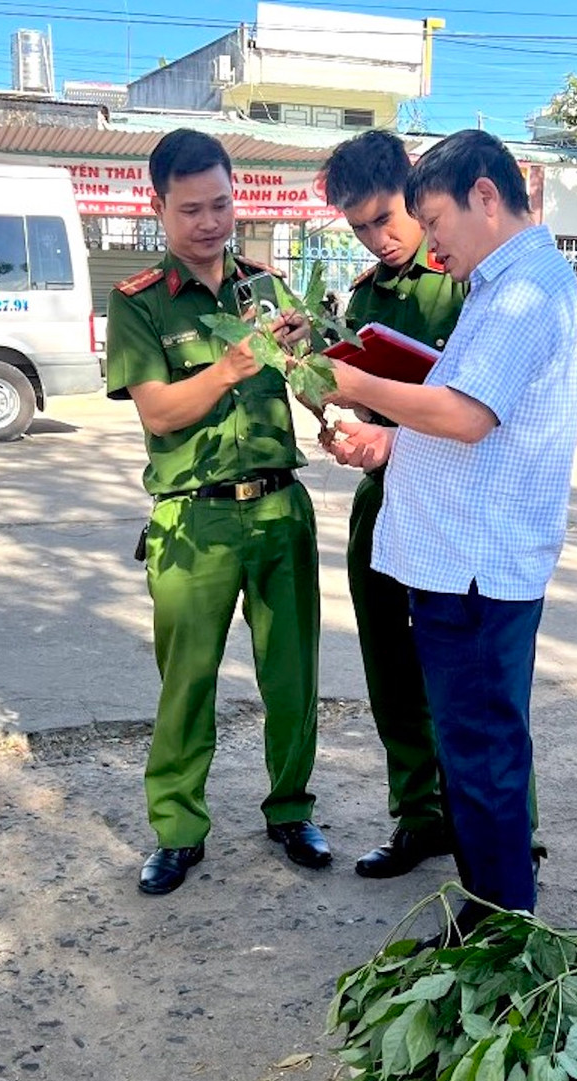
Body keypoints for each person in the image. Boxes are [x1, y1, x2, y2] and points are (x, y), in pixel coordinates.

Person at [325, 130, 577, 935]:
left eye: (432, 218)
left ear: (483, 195)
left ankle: (501, 925)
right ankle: (493, 907)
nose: (428, 239)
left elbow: (468, 416)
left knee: (481, 757)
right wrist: (394, 437)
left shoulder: (521, 293)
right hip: (461, 556)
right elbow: (479, 417)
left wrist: (357, 381)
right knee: (476, 750)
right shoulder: (498, 284)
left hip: (475, 565)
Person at [106, 129, 330, 897]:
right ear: (159, 207)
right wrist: (231, 364)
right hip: (192, 520)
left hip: (279, 510)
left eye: (223, 205)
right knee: (187, 680)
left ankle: (292, 809)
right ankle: (177, 828)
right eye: (192, 209)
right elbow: (161, 411)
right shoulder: (137, 303)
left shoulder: (267, 290)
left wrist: (312, 358)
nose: (210, 223)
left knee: (294, 674)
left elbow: (312, 392)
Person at [318, 129, 465, 878]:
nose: (377, 239)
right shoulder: (365, 299)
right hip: (385, 499)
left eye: (385, 218)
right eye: (359, 228)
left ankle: (499, 829)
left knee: (468, 678)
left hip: (457, 508)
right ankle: (417, 818)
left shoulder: (464, 277)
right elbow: (347, 401)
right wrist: (339, 423)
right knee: (391, 670)